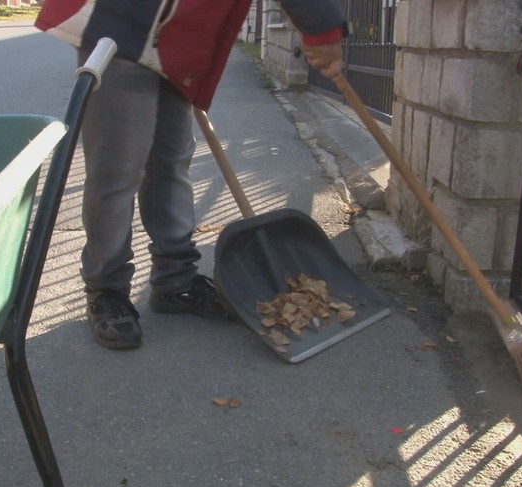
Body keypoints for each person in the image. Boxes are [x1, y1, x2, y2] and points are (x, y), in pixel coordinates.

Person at [35, 0, 346, 350]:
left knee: (171, 160)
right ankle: (106, 287)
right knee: (117, 168)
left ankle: (175, 281)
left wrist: (321, 27)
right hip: (124, 20)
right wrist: (321, 27)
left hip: (185, 35)